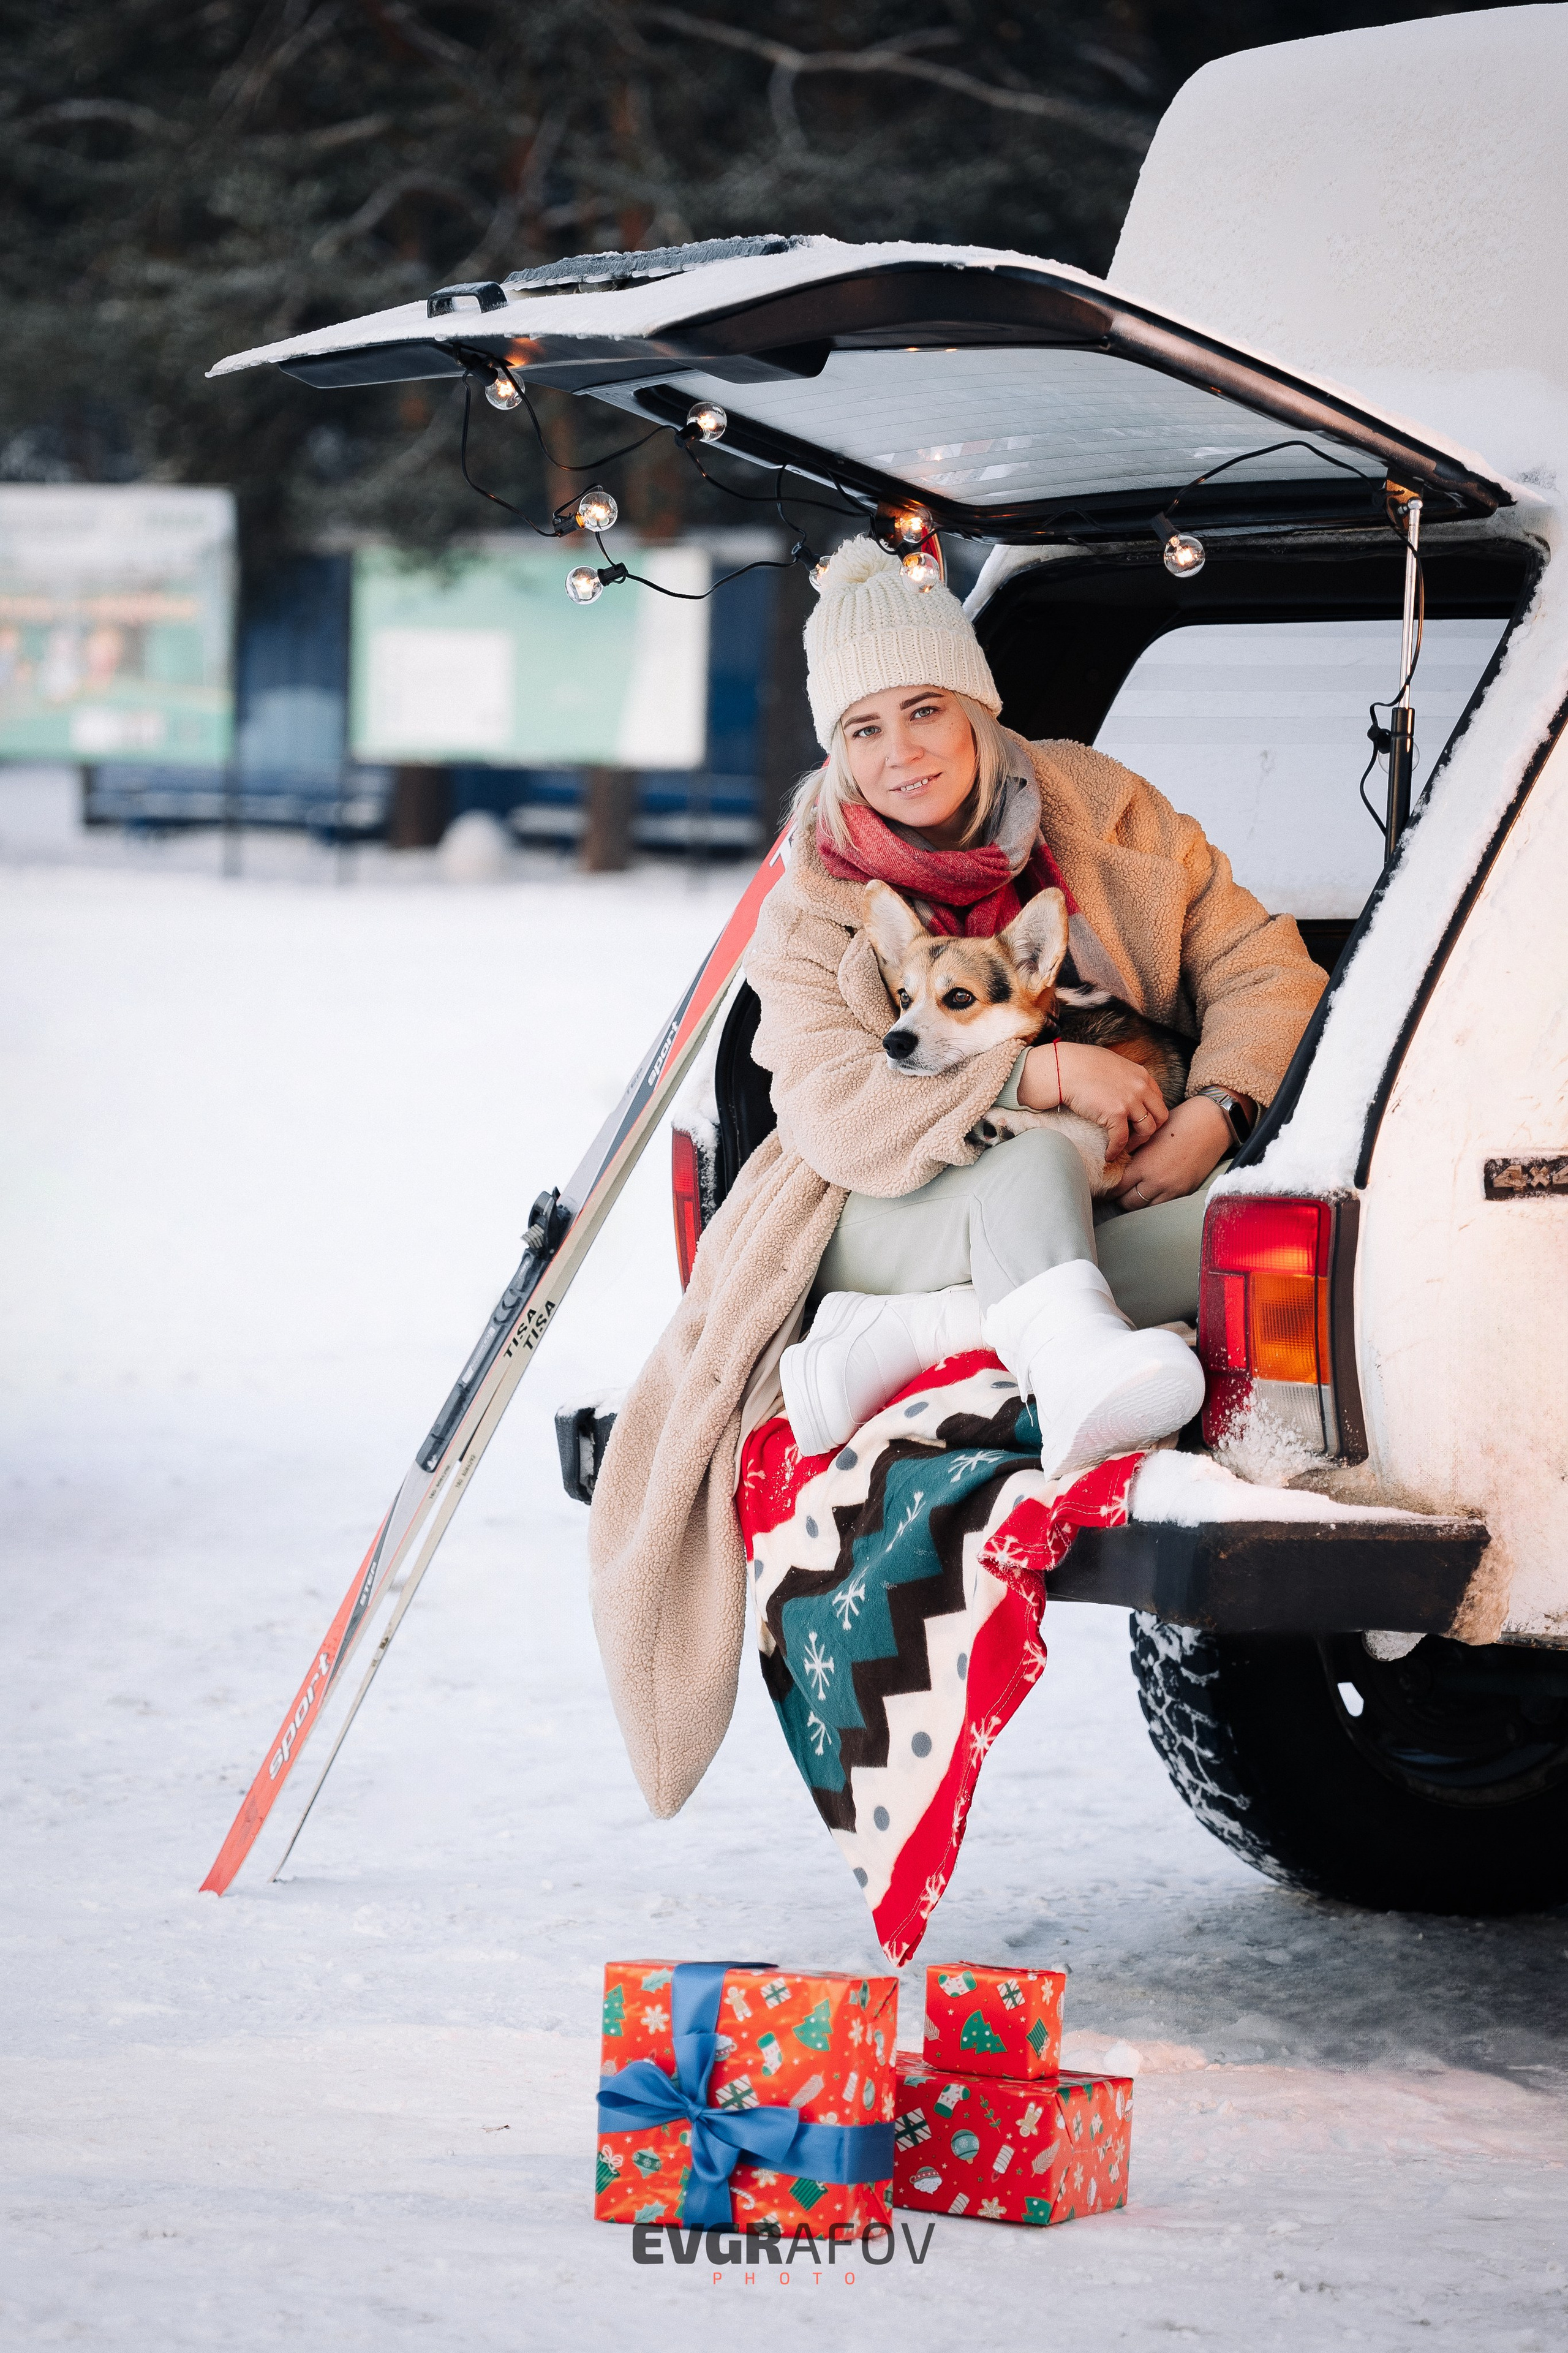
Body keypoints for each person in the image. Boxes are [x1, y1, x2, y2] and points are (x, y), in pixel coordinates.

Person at [589, 537, 1325, 1819]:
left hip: (1094, 1197)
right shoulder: (814, 898)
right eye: (862, 728)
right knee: (1033, 1158)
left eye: (923, 710)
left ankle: (921, 1339)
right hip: (863, 1211)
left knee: (1234, 1241)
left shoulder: (1100, 811)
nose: (899, 753)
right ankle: (1069, 1358)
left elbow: (1266, 966)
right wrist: (1037, 1080)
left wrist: (1211, 1112)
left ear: (976, 707)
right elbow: (830, 1114)